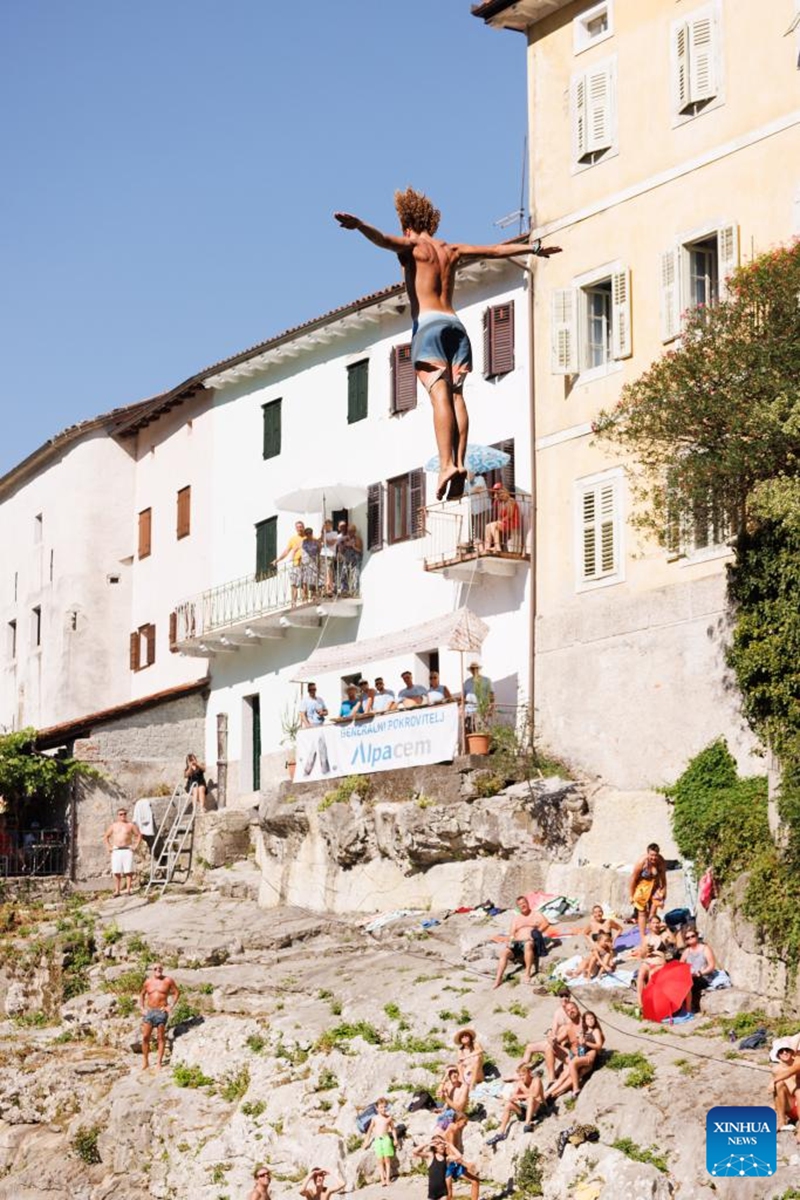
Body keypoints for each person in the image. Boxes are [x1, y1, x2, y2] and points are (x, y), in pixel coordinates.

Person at [335, 190, 559, 501]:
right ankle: (461, 462)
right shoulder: (450, 249)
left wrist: (360, 225)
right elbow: (494, 250)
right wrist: (532, 248)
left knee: (439, 396)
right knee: (457, 396)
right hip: (456, 326)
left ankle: (445, 465)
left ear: (406, 223)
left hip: (428, 327)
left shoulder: (413, 246)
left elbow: (384, 241)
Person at [493, 894, 557, 988]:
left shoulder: (535, 914)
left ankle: (527, 973)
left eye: (524, 903)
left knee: (528, 945)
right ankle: (498, 979)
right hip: (517, 943)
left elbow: (545, 923)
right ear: (518, 907)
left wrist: (536, 933)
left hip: (530, 942)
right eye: (520, 904)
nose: (522, 905)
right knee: (504, 953)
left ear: (528, 903)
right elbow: (512, 933)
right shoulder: (516, 918)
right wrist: (510, 940)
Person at [521, 992, 582, 1085]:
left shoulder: (573, 1014)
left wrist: (556, 1040)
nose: (564, 998)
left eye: (566, 996)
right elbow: (554, 1030)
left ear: (570, 997)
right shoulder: (558, 1012)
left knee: (549, 1047)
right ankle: (521, 1071)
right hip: (557, 1041)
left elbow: (571, 1034)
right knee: (530, 1047)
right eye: (561, 996)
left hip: (565, 1045)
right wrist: (551, 1035)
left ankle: (551, 1078)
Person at [547, 1011, 605, 1099]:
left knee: (573, 1064)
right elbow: (582, 1047)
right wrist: (580, 1045)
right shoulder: (584, 1032)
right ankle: (551, 1094)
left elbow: (599, 1046)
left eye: (592, 1018)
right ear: (584, 1021)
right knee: (566, 1075)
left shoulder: (596, 1031)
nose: (590, 1020)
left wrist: (586, 1043)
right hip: (583, 1056)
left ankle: (575, 1089)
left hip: (590, 1058)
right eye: (588, 1019)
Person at [485, 1062, 546, 1144]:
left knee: (531, 1098)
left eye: (523, 1075)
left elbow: (535, 1094)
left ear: (529, 1073)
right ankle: (501, 1133)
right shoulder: (520, 1083)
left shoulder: (536, 1081)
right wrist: (513, 1097)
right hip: (526, 1109)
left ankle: (527, 1124)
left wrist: (519, 1096)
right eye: (520, 1075)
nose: (521, 1077)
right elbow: (514, 1095)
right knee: (508, 1104)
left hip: (537, 1109)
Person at [138, 962, 179, 1069]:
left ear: (162, 969)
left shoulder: (168, 980)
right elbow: (142, 994)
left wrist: (170, 1006)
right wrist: (142, 1008)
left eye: (160, 968)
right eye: (156, 968)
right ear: (153, 970)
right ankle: (145, 1062)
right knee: (145, 1037)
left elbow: (176, 992)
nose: (158, 970)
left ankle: (159, 1063)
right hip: (150, 1012)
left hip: (161, 1012)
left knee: (160, 1037)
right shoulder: (148, 982)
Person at [630, 843, 668, 945]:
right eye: (651, 855)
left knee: (653, 912)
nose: (653, 857)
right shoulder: (642, 862)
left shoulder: (661, 862)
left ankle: (652, 934)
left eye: (655, 855)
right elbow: (633, 879)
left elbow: (663, 879)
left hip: (654, 887)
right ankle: (643, 937)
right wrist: (632, 895)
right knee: (642, 912)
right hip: (642, 887)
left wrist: (664, 892)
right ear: (648, 854)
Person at [103, 807, 142, 896]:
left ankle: (128, 890)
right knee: (116, 871)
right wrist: (109, 847)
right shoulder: (114, 826)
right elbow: (106, 837)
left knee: (128, 871)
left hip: (127, 849)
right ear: (118, 816)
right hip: (116, 850)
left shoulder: (130, 825)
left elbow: (139, 835)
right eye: (121, 814)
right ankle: (117, 890)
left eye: (124, 814)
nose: (123, 816)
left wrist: (135, 845)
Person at [444, 1114, 481, 1200]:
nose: (466, 1124)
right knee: (448, 1194)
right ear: (458, 1121)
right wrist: (466, 1164)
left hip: (455, 1163)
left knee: (475, 1181)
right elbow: (450, 1152)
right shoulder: (452, 1130)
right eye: (464, 1122)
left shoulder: (458, 1129)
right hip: (448, 1164)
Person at [681, 928, 717, 1011]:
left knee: (688, 983)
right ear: (685, 941)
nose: (690, 938)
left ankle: (688, 1009)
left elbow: (711, 966)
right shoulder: (686, 951)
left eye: (692, 936)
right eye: (687, 938)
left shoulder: (705, 948)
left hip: (703, 976)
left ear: (697, 936)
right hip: (691, 976)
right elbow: (680, 966)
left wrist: (700, 973)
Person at [363, 1097, 396, 1187]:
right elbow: (369, 1130)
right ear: (377, 1108)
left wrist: (395, 1139)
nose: (383, 1109)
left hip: (386, 1139)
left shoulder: (389, 1118)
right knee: (380, 1161)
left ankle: (388, 1179)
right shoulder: (374, 1118)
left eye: (385, 1107)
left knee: (387, 1160)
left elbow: (393, 1129)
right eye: (381, 1107)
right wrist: (366, 1141)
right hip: (378, 1140)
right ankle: (382, 1180)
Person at [274, 519, 307, 605]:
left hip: (306, 564)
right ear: (296, 529)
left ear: (304, 527)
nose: (299, 529)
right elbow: (286, 551)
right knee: (294, 585)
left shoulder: (308, 537)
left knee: (304, 584)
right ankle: (293, 604)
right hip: (296, 565)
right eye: (298, 527)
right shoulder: (293, 539)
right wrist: (278, 560)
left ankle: (304, 602)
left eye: (301, 527)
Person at [770, 1045, 800, 1136]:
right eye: (781, 1051)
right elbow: (776, 1094)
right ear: (778, 1055)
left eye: (787, 1050)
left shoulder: (797, 1063)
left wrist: (773, 1081)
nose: (784, 1052)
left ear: (792, 1053)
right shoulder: (776, 1070)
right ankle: (781, 1121)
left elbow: (790, 1072)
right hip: (791, 1106)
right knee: (779, 1084)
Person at [411, 1133, 450, 1200]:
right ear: (434, 1146)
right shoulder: (430, 1156)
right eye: (437, 1144)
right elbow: (414, 1151)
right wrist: (427, 1143)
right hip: (432, 1192)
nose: (441, 1145)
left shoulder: (446, 1158)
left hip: (443, 1190)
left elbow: (459, 1156)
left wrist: (447, 1143)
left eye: (441, 1143)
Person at [483, 484, 521, 554]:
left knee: (494, 525)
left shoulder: (511, 500)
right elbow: (499, 515)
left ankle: (497, 547)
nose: (498, 494)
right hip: (505, 522)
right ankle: (487, 547)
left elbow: (510, 514)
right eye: (496, 493)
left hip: (512, 522)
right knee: (488, 526)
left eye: (499, 492)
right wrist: (496, 500)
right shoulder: (501, 503)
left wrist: (500, 521)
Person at [463, 662, 494, 731]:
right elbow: (463, 696)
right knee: (469, 729)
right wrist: (462, 709)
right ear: (470, 670)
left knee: (481, 729)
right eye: (472, 668)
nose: (474, 670)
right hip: (469, 710)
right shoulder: (467, 682)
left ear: (478, 669)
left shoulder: (486, 680)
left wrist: (491, 708)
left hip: (481, 709)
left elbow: (491, 695)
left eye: (476, 668)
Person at [300, 527, 321, 600]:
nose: (308, 535)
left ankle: (313, 596)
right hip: (305, 563)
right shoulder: (303, 542)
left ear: (312, 533)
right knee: (305, 580)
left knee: (313, 580)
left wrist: (319, 563)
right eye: (307, 533)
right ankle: (304, 596)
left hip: (314, 563)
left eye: (310, 533)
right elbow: (301, 552)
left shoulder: (316, 542)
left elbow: (319, 552)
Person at [320, 519, 340, 595]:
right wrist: (322, 533)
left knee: (329, 570)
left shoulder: (334, 533)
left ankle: (330, 587)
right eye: (325, 525)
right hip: (323, 554)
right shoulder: (323, 534)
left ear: (331, 525)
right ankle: (326, 587)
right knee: (324, 571)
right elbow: (320, 541)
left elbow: (332, 543)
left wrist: (325, 540)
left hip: (330, 554)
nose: (327, 527)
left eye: (328, 525)